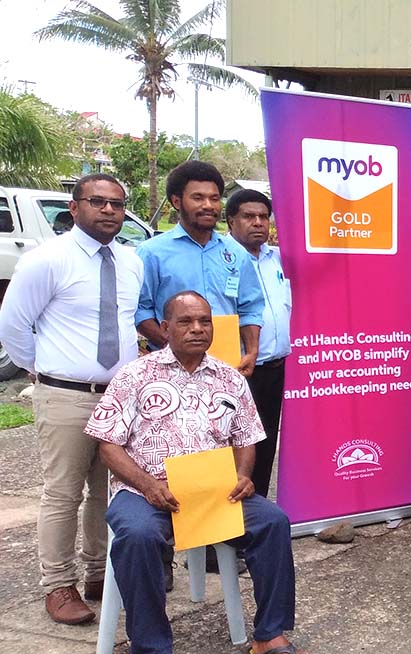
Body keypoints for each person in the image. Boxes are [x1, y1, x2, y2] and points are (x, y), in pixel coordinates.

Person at [85, 291, 306, 654]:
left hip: (213, 493)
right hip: (145, 491)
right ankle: (151, 646)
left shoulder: (230, 378)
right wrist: (148, 484)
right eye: (186, 322)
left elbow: (246, 436)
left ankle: (269, 634)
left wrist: (243, 475)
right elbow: (107, 443)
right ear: (166, 328)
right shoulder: (135, 375)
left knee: (272, 522)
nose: (197, 329)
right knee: (138, 536)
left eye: (205, 321)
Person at [0, 174, 143, 625]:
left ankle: (100, 575)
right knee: (62, 494)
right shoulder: (47, 260)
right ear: (74, 206)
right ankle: (58, 585)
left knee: (108, 490)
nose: (108, 211)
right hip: (65, 396)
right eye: (98, 202)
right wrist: (43, 371)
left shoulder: (131, 261)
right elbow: (14, 326)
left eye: (117, 204)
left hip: (118, 399)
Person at [136, 160, 264, 378]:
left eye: (214, 199)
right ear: (177, 201)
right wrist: (175, 347)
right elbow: (141, 309)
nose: (208, 205)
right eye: (198, 198)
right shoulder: (152, 253)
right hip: (171, 370)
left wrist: (251, 352)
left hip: (227, 368)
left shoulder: (236, 253)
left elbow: (250, 307)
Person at [226, 189, 290, 499]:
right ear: (231, 221)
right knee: (235, 450)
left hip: (275, 369)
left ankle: (257, 514)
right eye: (249, 217)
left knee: (264, 448)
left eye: (264, 217)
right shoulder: (222, 258)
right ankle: (227, 530)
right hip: (239, 371)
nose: (258, 223)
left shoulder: (277, 258)